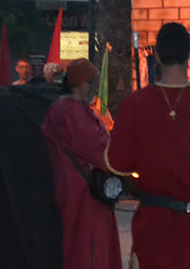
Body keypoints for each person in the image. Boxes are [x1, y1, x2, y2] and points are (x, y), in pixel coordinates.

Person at [106, 23, 190, 269]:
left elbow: (117, 163)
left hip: (151, 225)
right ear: (189, 54)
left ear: (157, 55)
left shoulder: (134, 104)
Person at [42, 59, 122, 269]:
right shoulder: (71, 112)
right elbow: (99, 150)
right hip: (81, 195)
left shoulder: (68, 109)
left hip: (75, 191)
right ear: (79, 83)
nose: (94, 87)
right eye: (91, 82)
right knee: (87, 250)